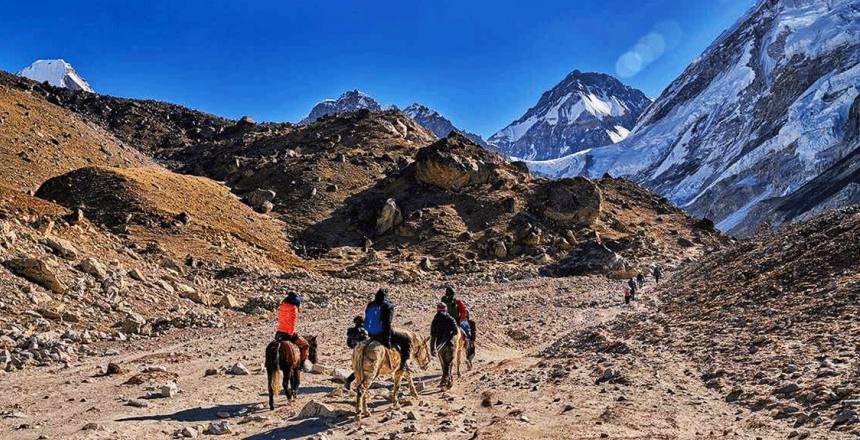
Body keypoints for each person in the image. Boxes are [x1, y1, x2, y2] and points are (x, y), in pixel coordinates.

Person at [364, 288, 412, 371]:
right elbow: (387, 324)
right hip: (382, 334)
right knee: (406, 339)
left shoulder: (370, 304)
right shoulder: (387, 306)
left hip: (371, 333)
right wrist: (387, 341)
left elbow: (367, 319)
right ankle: (403, 365)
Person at [275, 291, 310, 369]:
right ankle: (302, 365)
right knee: (305, 345)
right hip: (288, 333)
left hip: (279, 332)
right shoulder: (294, 308)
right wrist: (292, 334)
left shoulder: (281, 306)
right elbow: (292, 322)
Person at [343, 316, 368, 390]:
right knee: (363, 368)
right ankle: (353, 381)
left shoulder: (351, 331)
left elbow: (348, 343)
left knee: (358, 368)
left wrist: (355, 347)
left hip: (356, 351)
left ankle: (350, 381)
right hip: (365, 351)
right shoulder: (365, 331)